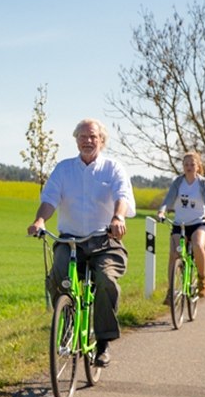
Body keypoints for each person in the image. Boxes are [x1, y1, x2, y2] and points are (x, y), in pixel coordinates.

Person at [27, 118, 136, 367]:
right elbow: (50, 198)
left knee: (106, 279)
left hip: (104, 239)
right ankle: (66, 321)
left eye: (93, 137)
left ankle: (103, 342)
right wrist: (40, 220)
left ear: (102, 140)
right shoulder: (64, 169)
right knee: (58, 275)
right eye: (83, 136)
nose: (88, 141)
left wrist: (118, 217)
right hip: (70, 240)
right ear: (76, 140)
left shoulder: (113, 168)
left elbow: (122, 195)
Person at [157, 151, 205, 301]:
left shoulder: (202, 183)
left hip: (199, 223)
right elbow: (168, 199)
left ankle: (202, 279)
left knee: (197, 245)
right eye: (186, 164)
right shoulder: (178, 182)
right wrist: (162, 211)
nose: (189, 167)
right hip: (179, 225)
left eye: (192, 164)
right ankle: (171, 291)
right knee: (174, 254)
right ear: (183, 166)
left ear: (198, 166)